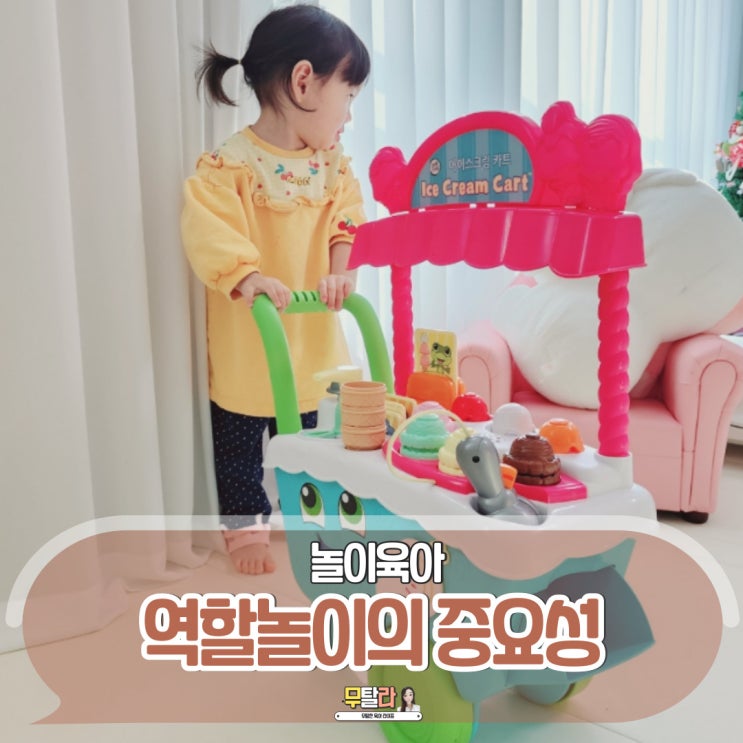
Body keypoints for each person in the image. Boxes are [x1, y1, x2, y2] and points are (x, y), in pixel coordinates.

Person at [181, 5, 370, 575]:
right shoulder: (228, 167)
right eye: (348, 97)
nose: (349, 116)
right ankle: (245, 532)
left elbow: (348, 223)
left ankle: (320, 524)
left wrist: (341, 273)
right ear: (304, 81)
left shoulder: (332, 167)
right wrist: (248, 276)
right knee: (238, 449)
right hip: (249, 345)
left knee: (318, 448)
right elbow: (208, 229)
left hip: (313, 347)